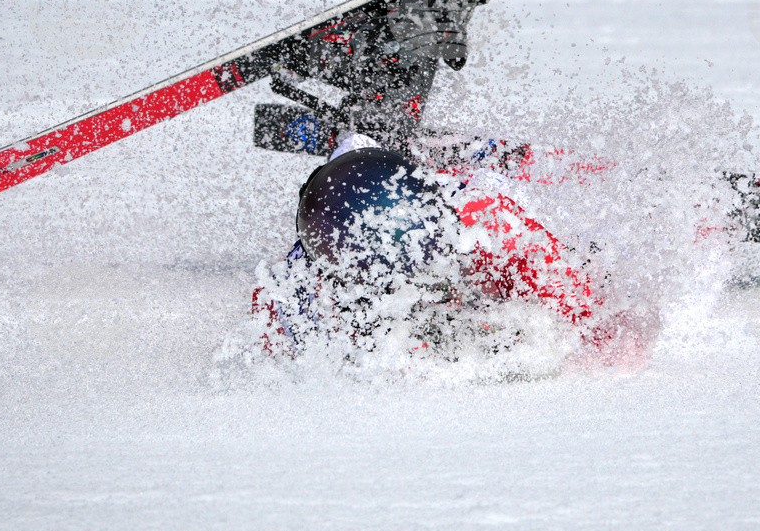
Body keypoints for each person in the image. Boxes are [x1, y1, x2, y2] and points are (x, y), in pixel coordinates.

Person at [250, 130, 659, 369]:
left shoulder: (494, 229)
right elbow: (283, 358)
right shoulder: (300, 281)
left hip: (529, 220)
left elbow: (608, 333)